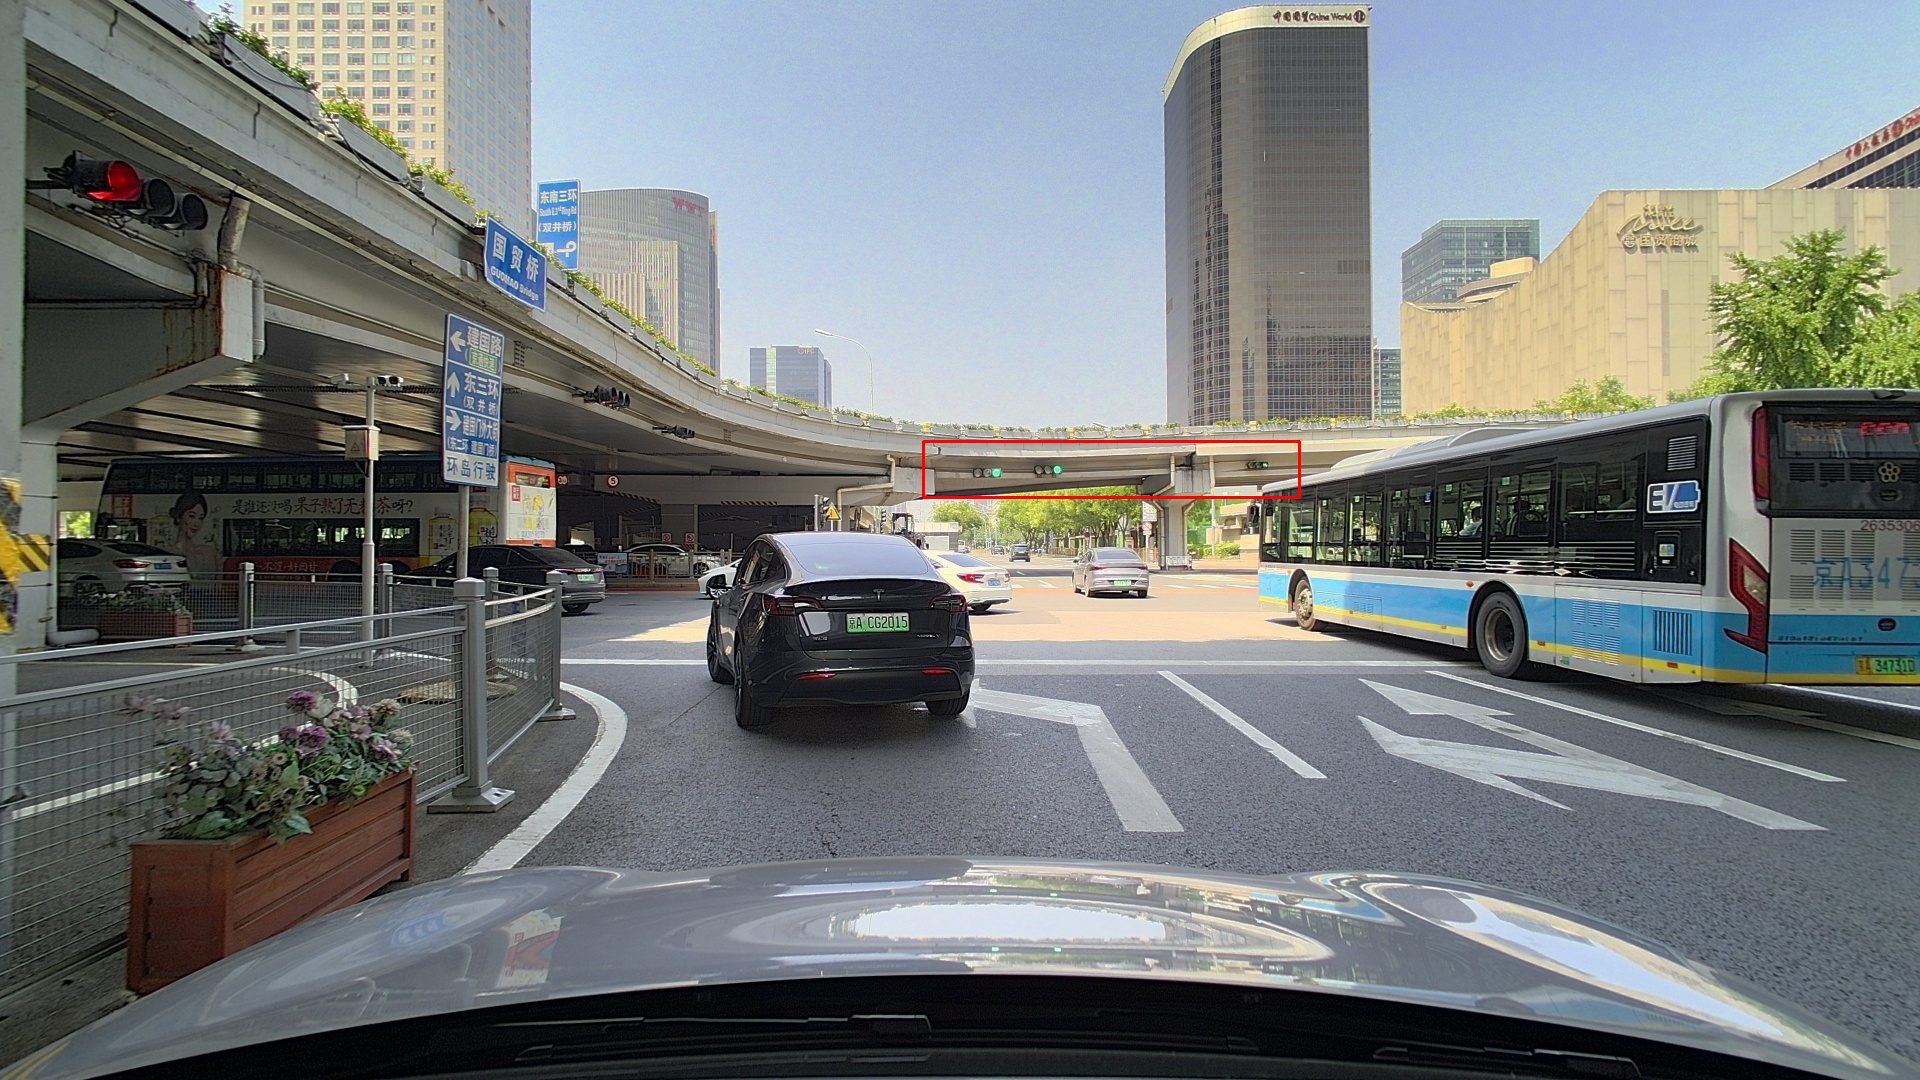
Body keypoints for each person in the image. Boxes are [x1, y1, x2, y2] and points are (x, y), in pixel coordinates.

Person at [168, 491, 220, 575]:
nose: (197, 523)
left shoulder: (210, 552)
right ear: (178, 517)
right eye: (191, 516)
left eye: (201, 518)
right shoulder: (167, 552)